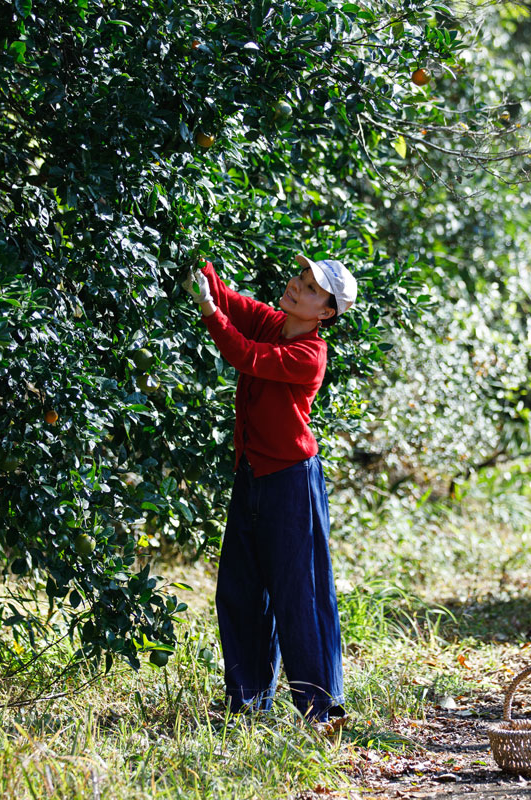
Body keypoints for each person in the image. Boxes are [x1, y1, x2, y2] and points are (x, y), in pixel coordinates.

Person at [185, 255, 357, 731]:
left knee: (299, 591)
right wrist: (201, 268)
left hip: (291, 481)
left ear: (325, 313)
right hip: (252, 474)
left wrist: (209, 312)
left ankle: (321, 707)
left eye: (310, 289)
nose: (297, 287)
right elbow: (232, 303)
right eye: (299, 279)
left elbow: (245, 355)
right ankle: (246, 704)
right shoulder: (273, 322)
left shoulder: (309, 355)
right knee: (239, 590)